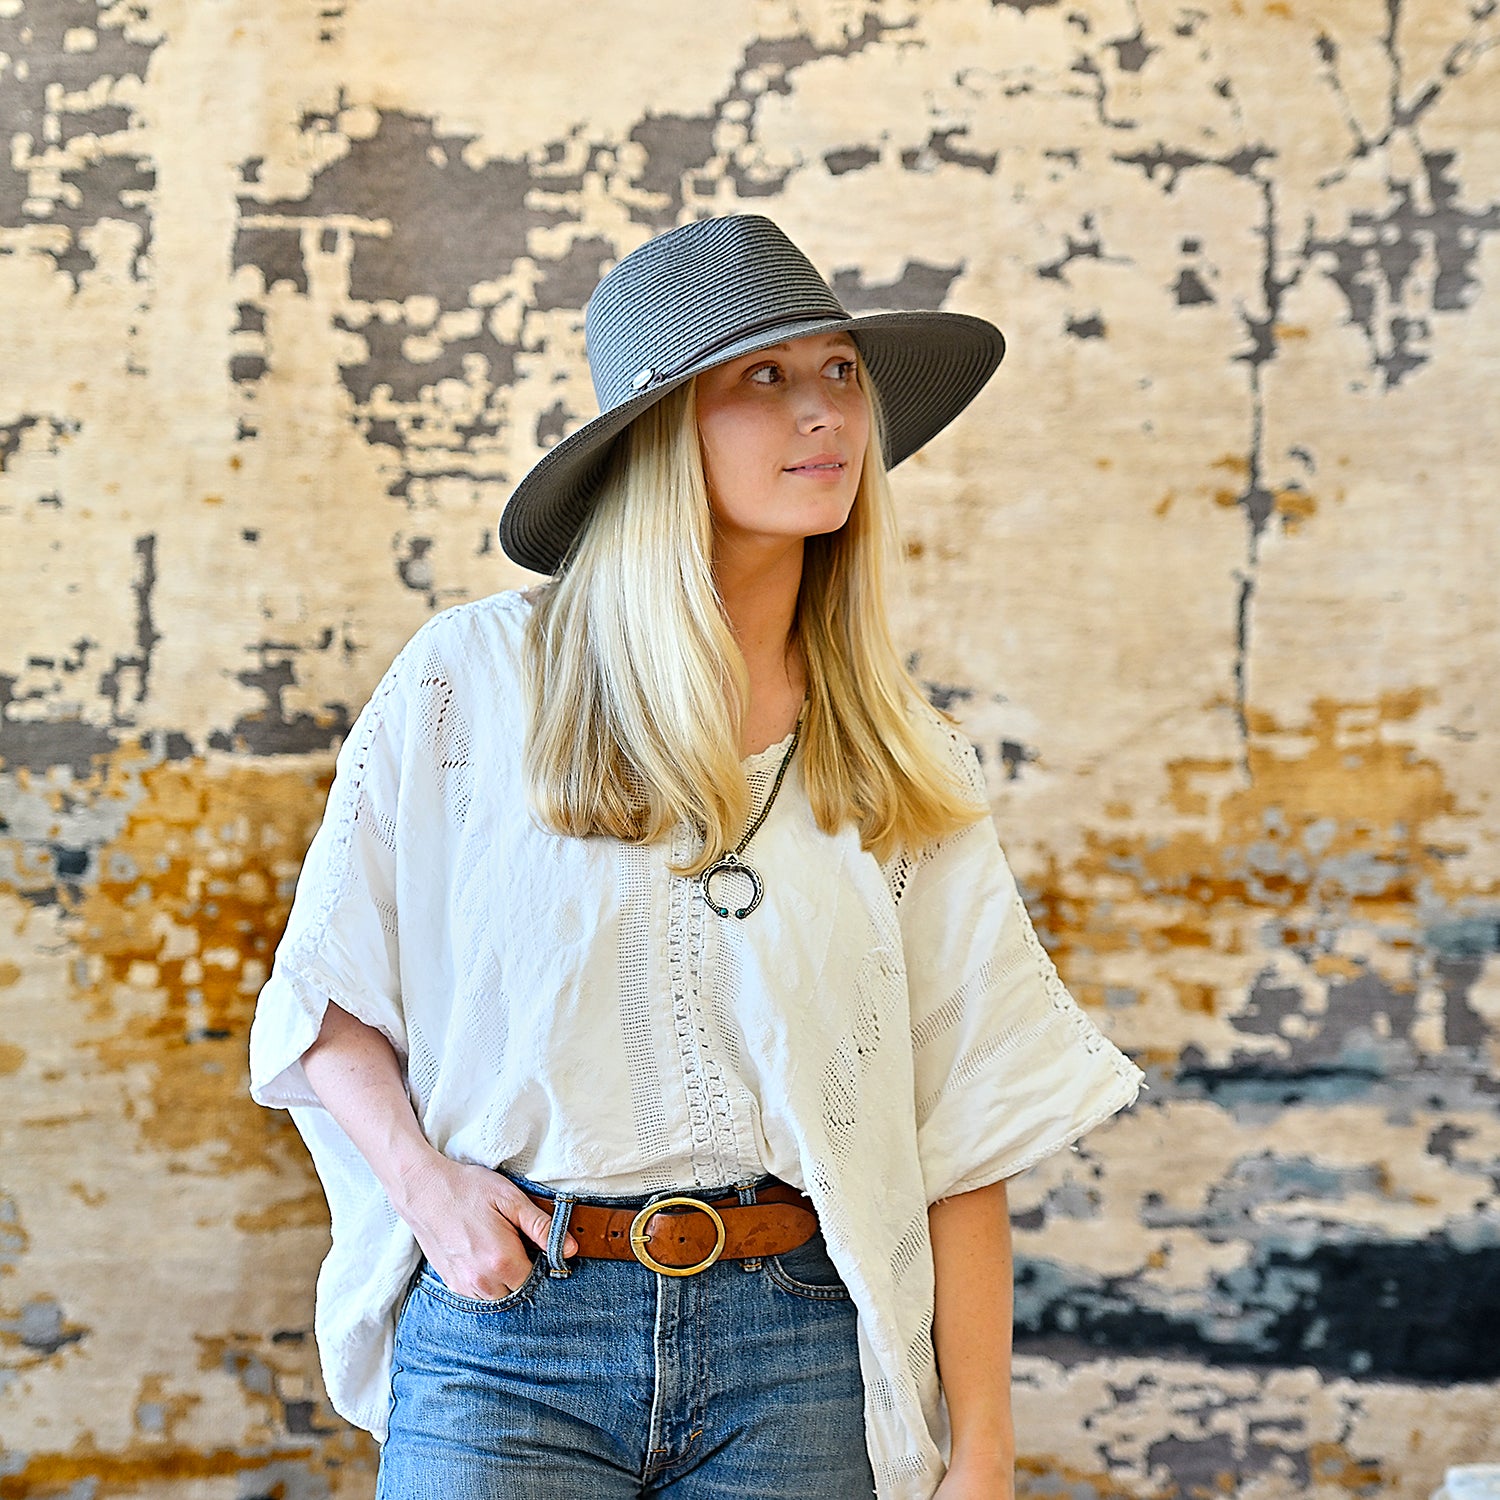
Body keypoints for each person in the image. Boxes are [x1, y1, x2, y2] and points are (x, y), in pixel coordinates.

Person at [249, 213, 1142, 1500]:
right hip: (511, 1337)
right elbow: (323, 1001)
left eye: (840, 371)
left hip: (798, 1352)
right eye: (763, 380)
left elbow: (966, 1123)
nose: (824, 412)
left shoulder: (900, 752)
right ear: (664, 435)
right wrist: (426, 1192)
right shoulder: (474, 684)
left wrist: (984, 1450)